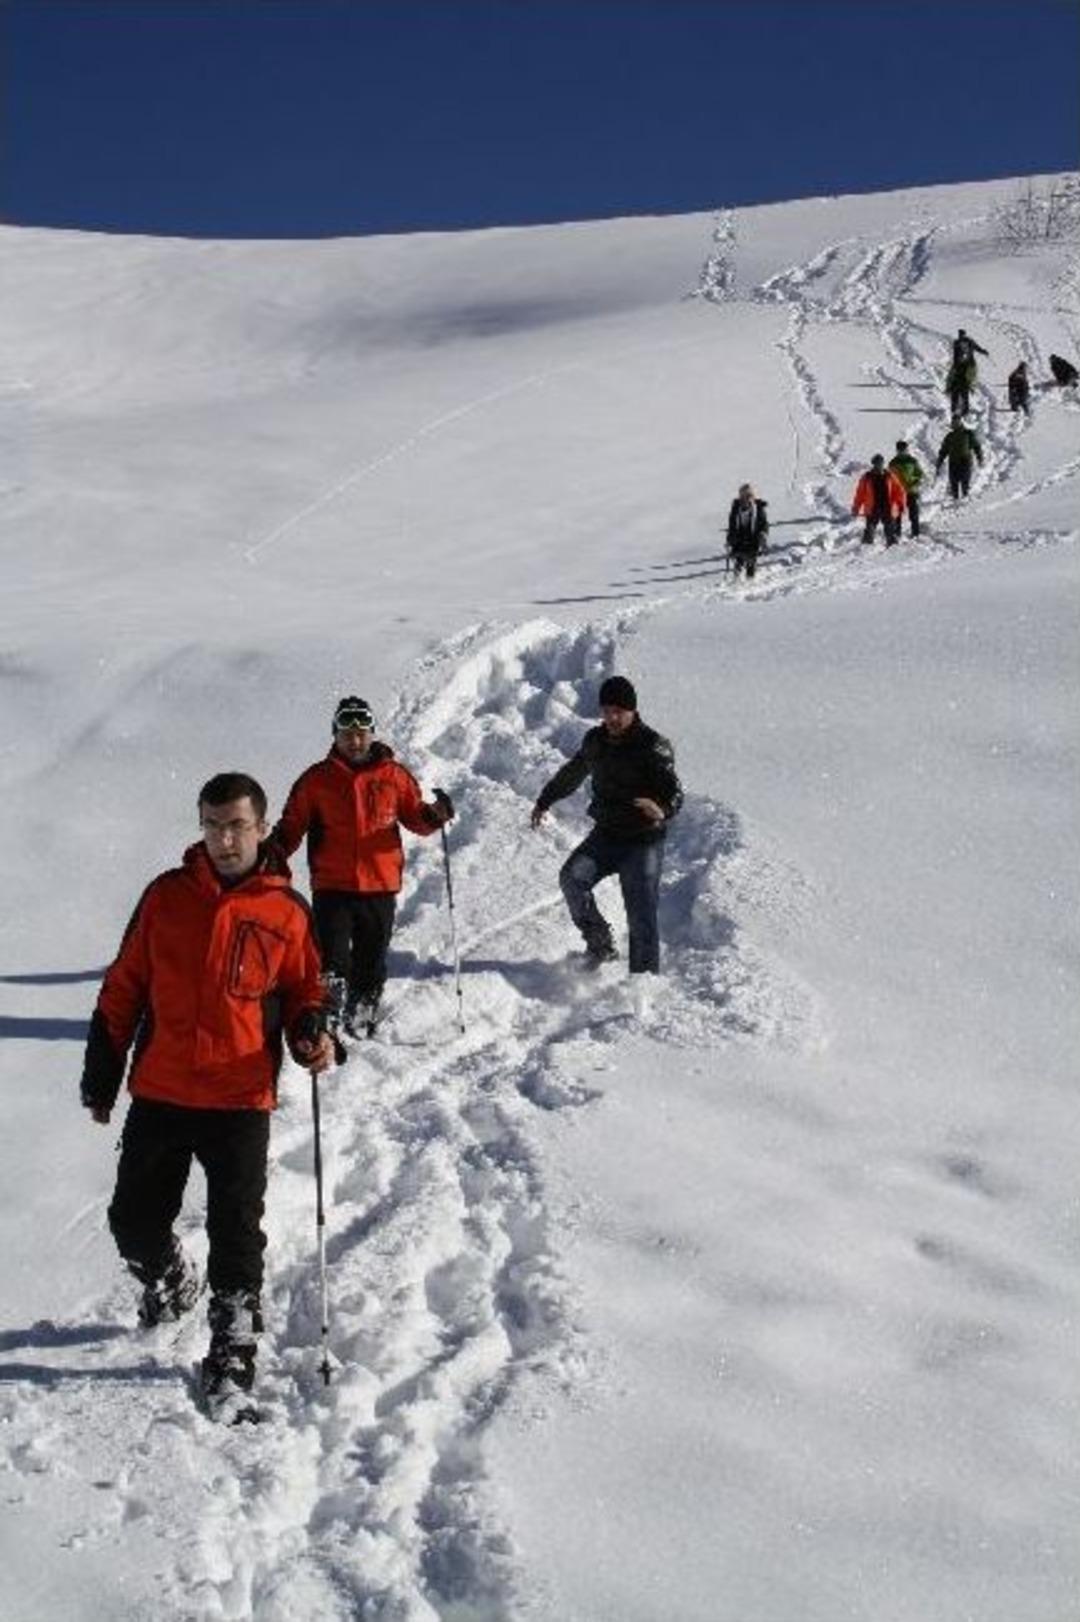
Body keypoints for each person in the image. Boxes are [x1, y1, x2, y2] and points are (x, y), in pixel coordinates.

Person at [80, 772, 336, 1418]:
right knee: (132, 1222)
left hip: (240, 1098)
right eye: (214, 825)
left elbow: (308, 987)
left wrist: (310, 1030)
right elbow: (123, 986)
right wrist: (102, 1073)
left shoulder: (285, 909)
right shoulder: (165, 899)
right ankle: (170, 1280)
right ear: (201, 826)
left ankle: (232, 1354)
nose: (225, 839)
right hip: (162, 1090)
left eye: (238, 826)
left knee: (236, 1234)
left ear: (261, 826)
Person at [270, 697, 453, 1036]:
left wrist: (435, 814)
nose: (355, 741)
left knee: (371, 957)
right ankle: (329, 1015)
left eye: (361, 734)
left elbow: (416, 816)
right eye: (346, 735)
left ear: (371, 734)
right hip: (332, 885)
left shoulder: (394, 776)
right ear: (335, 737)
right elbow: (292, 823)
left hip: (379, 885)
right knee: (333, 958)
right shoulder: (317, 780)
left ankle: (364, 1008)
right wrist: (272, 852)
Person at [530, 676, 683, 974]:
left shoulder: (653, 746)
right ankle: (600, 943)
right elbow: (573, 772)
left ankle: (643, 982)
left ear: (633, 711)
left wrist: (661, 809)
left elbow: (676, 793)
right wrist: (545, 800)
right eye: (606, 710)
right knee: (572, 879)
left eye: (619, 711)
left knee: (641, 915)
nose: (612, 717)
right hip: (606, 836)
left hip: (643, 842)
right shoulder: (595, 741)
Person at [851, 453, 906, 546]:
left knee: (890, 533)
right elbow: (859, 494)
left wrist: (901, 504)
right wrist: (856, 507)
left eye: (881, 463)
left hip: (887, 508)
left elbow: (899, 491)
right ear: (873, 464)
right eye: (877, 463)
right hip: (873, 509)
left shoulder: (890, 476)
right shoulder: (867, 477)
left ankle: (894, 552)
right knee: (869, 532)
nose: (879, 465)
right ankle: (864, 551)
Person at [726, 483, 769, 579]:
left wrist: (763, 534)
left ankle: (750, 581)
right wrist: (729, 539)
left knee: (750, 564)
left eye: (749, 496)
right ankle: (737, 581)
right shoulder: (735, 509)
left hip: (753, 540)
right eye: (743, 496)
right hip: (739, 540)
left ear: (753, 497)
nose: (746, 499)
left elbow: (764, 524)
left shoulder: (758, 509)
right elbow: (732, 526)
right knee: (738, 562)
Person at [935, 416, 984, 499]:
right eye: (953, 422)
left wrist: (980, 457)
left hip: (965, 461)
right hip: (953, 462)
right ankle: (955, 499)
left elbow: (977, 446)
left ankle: (965, 499)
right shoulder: (949, 436)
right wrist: (939, 462)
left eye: (957, 422)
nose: (955, 424)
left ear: (961, 422)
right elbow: (943, 450)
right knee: (954, 482)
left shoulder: (968, 433)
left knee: (965, 482)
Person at [946, 328, 988, 417]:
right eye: (960, 334)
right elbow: (976, 348)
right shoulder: (963, 342)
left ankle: (958, 408)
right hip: (964, 367)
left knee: (959, 389)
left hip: (963, 367)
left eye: (961, 334)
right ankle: (960, 409)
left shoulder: (960, 342)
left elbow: (975, 348)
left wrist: (982, 351)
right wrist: (983, 351)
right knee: (961, 388)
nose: (961, 336)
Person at [888, 441, 925, 538]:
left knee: (914, 513)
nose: (901, 452)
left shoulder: (912, 461)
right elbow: (889, 477)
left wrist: (915, 482)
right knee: (897, 514)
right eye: (900, 450)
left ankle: (915, 532)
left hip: (911, 491)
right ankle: (897, 533)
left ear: (907, 450)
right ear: (897, 450)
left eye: (903, 450)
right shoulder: (893, 462)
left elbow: (920, 474)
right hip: (898, 493)